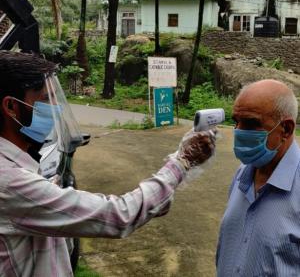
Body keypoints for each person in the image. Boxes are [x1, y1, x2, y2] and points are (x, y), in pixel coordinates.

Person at [0, 51, 216, 276]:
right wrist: (182, 162)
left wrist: (154, 202)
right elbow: (117, 216)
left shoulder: (19, 169)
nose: (55, 108)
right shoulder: (9, 182)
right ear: (11, 107)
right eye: (46, 99)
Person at [216, 79, 300, 276]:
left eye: (251, 123)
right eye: (236, 121)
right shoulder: (241, 176)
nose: (238, 131)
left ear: (286, 129)